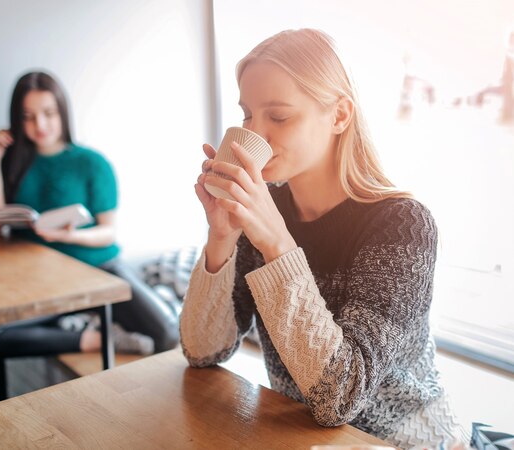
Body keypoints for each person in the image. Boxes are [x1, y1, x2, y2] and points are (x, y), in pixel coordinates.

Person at [180, 29, 469, 449]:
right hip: (305, 436)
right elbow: (202, 352)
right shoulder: (262, 212)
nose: (255, 134)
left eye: (278, 117)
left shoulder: (403, 226)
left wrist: (277, 244)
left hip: (407, 441)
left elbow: (340, 395)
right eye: (247, 115)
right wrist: (221, 238)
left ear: (339, 116)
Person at [0, 71, 179, 358]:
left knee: (167, 333)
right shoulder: (10, 162)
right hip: (42, 281)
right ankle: (92, 338)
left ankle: (93, 322)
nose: (39, 125)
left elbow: (108, 232)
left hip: (99, 270)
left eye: (48, 113)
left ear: (63, 113)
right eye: (28, 116)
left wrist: (71, 235)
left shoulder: (91, 163)